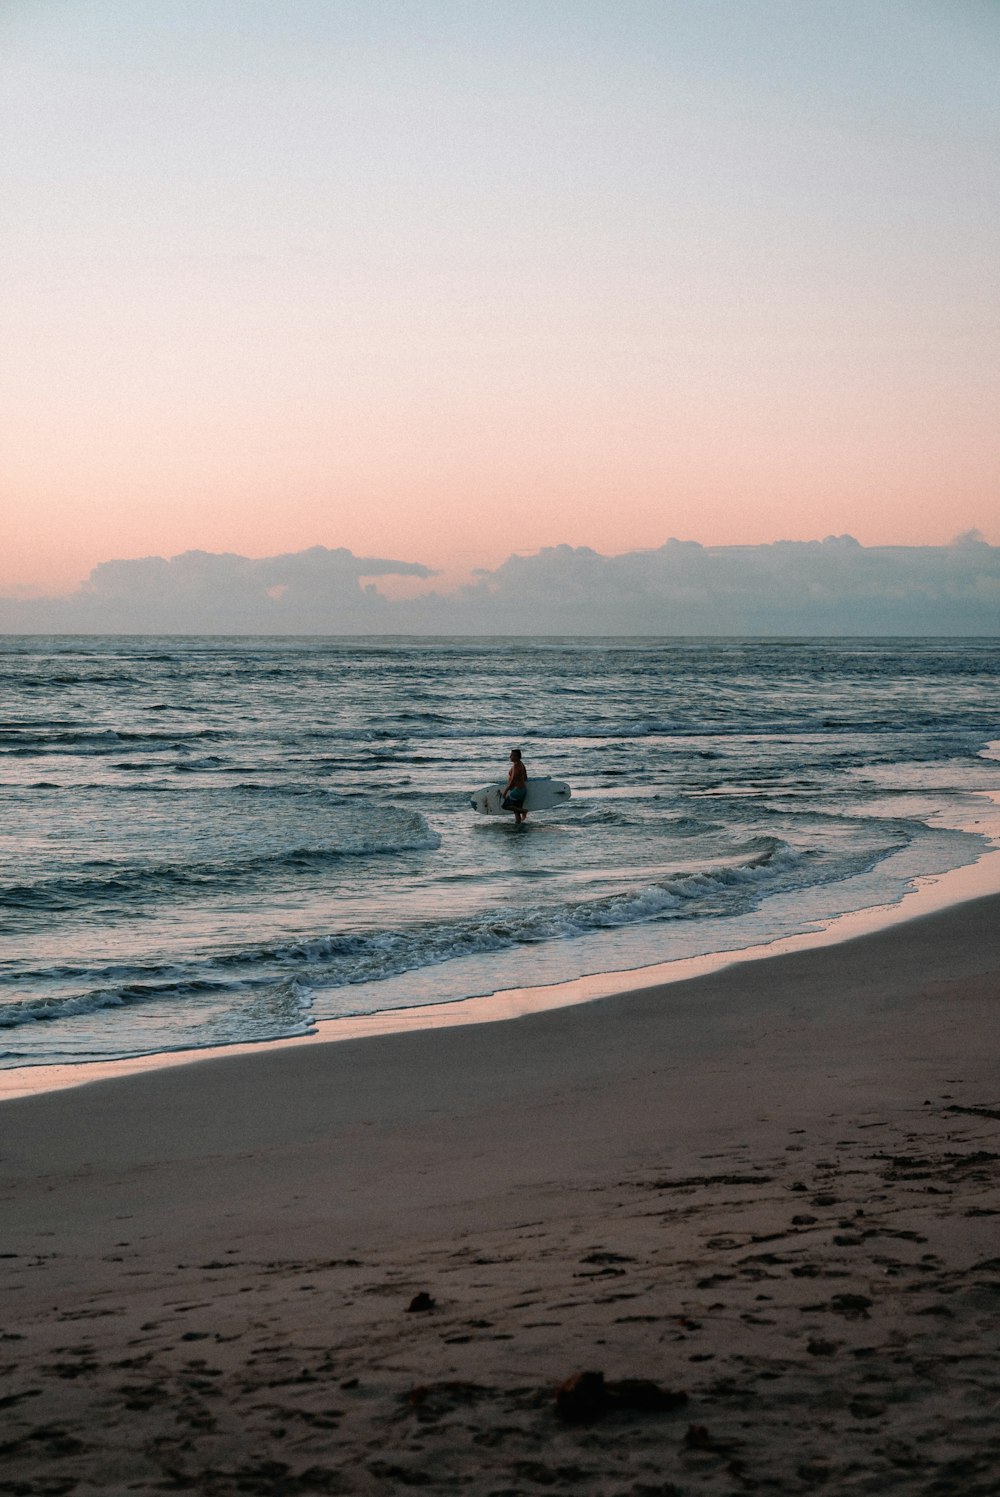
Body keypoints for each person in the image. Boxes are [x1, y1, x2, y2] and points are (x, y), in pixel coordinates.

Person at [501, 747, 529, 824]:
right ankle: (518, 826)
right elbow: (526, 778)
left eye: (511, 755)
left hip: (518, 790)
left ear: (516, 757)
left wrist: (505, 791)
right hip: (522, 790)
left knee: (505, 806)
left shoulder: (516, 766)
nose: (510, 757)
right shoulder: (521, 764)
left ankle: (524, 811)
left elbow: (512, 780)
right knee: (516, 810)